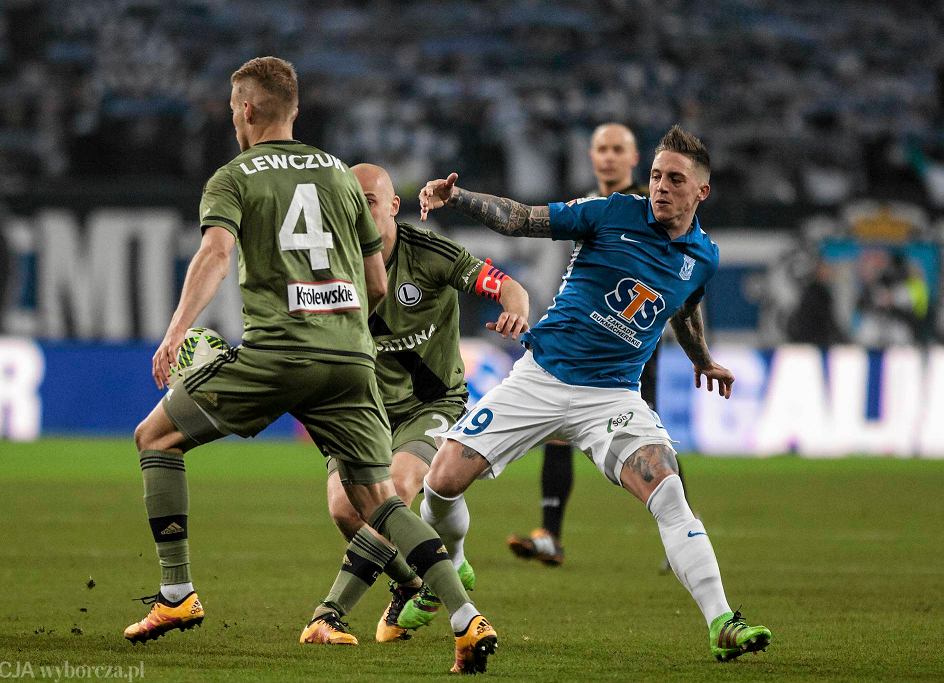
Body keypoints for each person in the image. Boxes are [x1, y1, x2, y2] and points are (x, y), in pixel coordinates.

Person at [122, 57, 498, 675]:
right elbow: (376, 283)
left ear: (245, 109)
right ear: (294, 109)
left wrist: (176, 331)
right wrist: (339, 328)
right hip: (350, 358)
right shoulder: (340, 176)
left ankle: (176, 594)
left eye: (230, 104)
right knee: (378, 501)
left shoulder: (233, 177)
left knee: (155, 437)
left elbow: (216, 253)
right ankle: (465, 618)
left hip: (277, 354)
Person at [413, 125, 772, 662]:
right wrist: (457, 197)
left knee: (670, 492)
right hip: (542, 378)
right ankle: (457, 560)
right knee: (439, 483)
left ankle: (722, 619)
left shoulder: (704, 257)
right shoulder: (612, 213)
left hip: (611, 398)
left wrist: (702, 360)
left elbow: (685, 307)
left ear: (702, 192)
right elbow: (522, 218)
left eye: (675, 179)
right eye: (655, 175)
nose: (660, 187)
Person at [305, 163, 529, 645]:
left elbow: (508, 286)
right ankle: (411, 583)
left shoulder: (428, 253)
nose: (356, 208)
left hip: (431, 403)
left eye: (367, 199)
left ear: (392, 206)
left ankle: (330, 612)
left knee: (399, 486)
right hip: (362, 409)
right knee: (345, 510)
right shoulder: (325, 264)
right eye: (348, 199)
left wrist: (514, 308)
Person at [507, 123, 660, 567]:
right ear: (592, 157)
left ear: (635, 159)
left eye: (617, 150)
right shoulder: (588, 207)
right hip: (580, 340)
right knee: (557, 433)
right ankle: (550, 537)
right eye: (601, 149)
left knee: (649, 436)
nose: (608, 157)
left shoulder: (654, 208)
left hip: (633, 343)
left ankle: (681, 526)